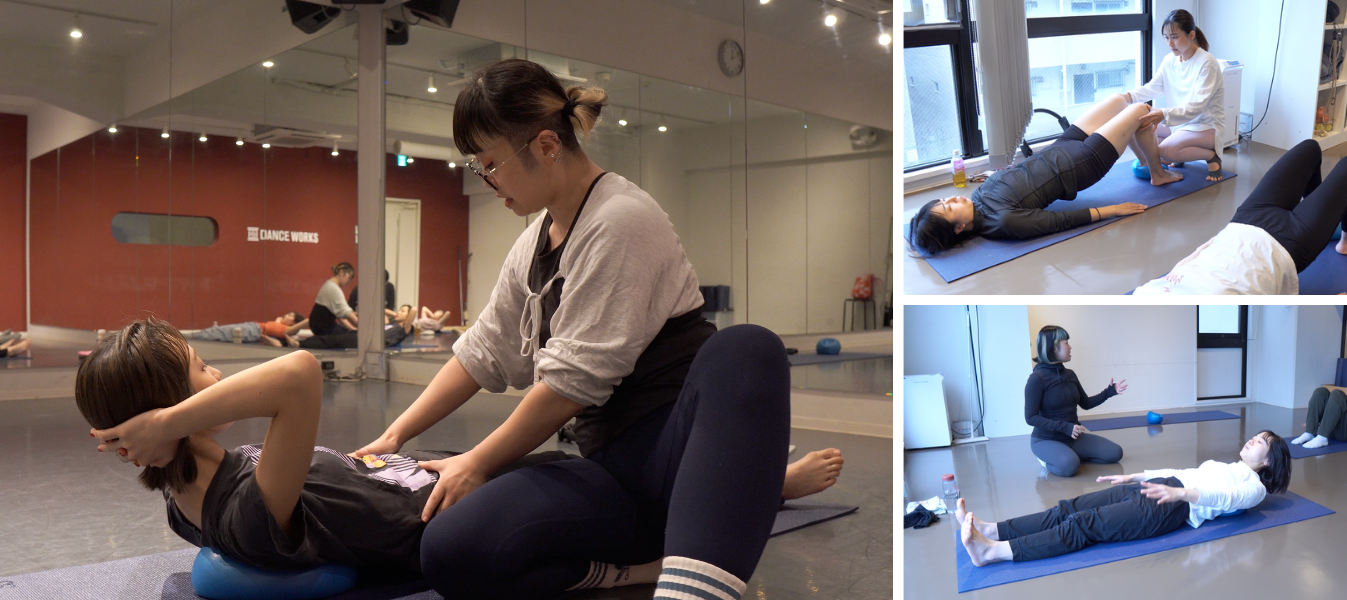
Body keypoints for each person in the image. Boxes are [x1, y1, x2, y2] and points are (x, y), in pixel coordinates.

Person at [345, 58, 795, 600]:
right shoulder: (535, 240)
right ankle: (635, 568)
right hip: (613, 475)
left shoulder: (623, 218)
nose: (486, 180)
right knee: (450, 548)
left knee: (747, 348)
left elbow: (570, 385)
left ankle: (719, 532)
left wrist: (478, 461)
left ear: (545, 146)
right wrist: (394, 436)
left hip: (676, 460)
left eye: (489, 163)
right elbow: (483, 349)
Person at [78, 319, 845, 580]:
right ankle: (762, 485)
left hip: (435, 477)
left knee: (595, 460)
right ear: (167, 411)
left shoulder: (189, 499)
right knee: (619, 483)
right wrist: (171, 419)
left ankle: (750, 475)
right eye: (198, 372)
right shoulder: (241, 509)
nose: (216, 379)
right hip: (465, 515)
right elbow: (300, 375)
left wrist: (389, 447)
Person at [957, 431, 1290, 566]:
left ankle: (992, 552)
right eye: (1255, 436)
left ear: (1269, 460)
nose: (1252, 440)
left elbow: (1227, 499)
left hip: (1173, 506)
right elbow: (1182, 470)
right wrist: (1135, 476)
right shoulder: (1226, 465)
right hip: (1161, 485)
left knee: (1082, 524)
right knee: (1069, 507)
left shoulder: (1254, 487)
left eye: (1261, 441)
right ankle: (995, 529)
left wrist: (1179, 493)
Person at [906, 92, 1166, 255]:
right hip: (1082, 164)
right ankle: (1156, 173)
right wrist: (1115, 209)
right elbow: (1060, 221)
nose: (953, 198)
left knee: (1119, 100)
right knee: (1141, 111)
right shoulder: (1003, 222)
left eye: (945, 200)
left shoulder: (977, 198)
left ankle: (1145, 160)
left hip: (1062, 145)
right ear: (959, 228)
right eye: (949, 207)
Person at [1132, 139, 1347, 295]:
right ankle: (1344, 240)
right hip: (1285, 246)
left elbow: (1177, 271)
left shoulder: (1142, 295)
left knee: (1309, 148)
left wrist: (1212, 242)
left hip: (1242, 224)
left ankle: (1321, 215)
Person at [1125, 9, 1226, 182]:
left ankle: (1211, 156)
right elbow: (1152, 88)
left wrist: (1163, 114)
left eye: (1174, 37)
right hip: (1181, 123)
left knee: (1165, 150)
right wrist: (1126, 97)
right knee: (1135, 126)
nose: (1170, 43)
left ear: (1191, 35)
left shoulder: (1207, 62)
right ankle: (1176, 156)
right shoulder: (1169, 60)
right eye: (1166, 37)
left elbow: (1197, 106)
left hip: (1205, 126)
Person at [1026, 325, 1128, 477]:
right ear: (1054, 348)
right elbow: (1030, 417)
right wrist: (1065, 427)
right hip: (1046, 440)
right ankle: (1046, 460)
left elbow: (1085, 403)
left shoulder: (1070, 375)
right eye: (1066, 343)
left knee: (1115, 453)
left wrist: (1109, 392)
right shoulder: (1036, 379)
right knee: (1070, 466)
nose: (1070, 347)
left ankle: (1070, 454)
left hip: (1072, 438)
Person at [300, 304, 415, 350]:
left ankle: (299, 345)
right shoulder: (390, 324)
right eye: (399, 310)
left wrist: (403, 316)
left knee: (335, 340)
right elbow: (382, 310)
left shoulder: (403, 330)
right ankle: (301, 343)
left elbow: (414, 309)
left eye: (402, 311)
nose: (398, 312)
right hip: (362, 335)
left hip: (368, 341)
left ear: (408, 316)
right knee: (332, 335)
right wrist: (397, 315)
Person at [186, 312, 308, 347]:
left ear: (294, 323)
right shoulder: (279, 325)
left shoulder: (287, 330)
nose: (285, 315)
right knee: (219, 331)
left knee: (220, 333)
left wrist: (307, 321)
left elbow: (289, 332)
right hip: (253, 327)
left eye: (290, 315)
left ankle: (190, 337)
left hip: (254, 330)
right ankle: (193, 336)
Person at [309, 263, 357, 336]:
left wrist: (350, 328)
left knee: (349, 334)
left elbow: (339, 312)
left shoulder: (329, 285)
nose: (349, 282)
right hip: (324, 327)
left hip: (322, 325)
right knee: (352, 338)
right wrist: (363, 327)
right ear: (341, 272)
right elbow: (346, 311)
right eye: (349, 278)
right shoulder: (333, 288)